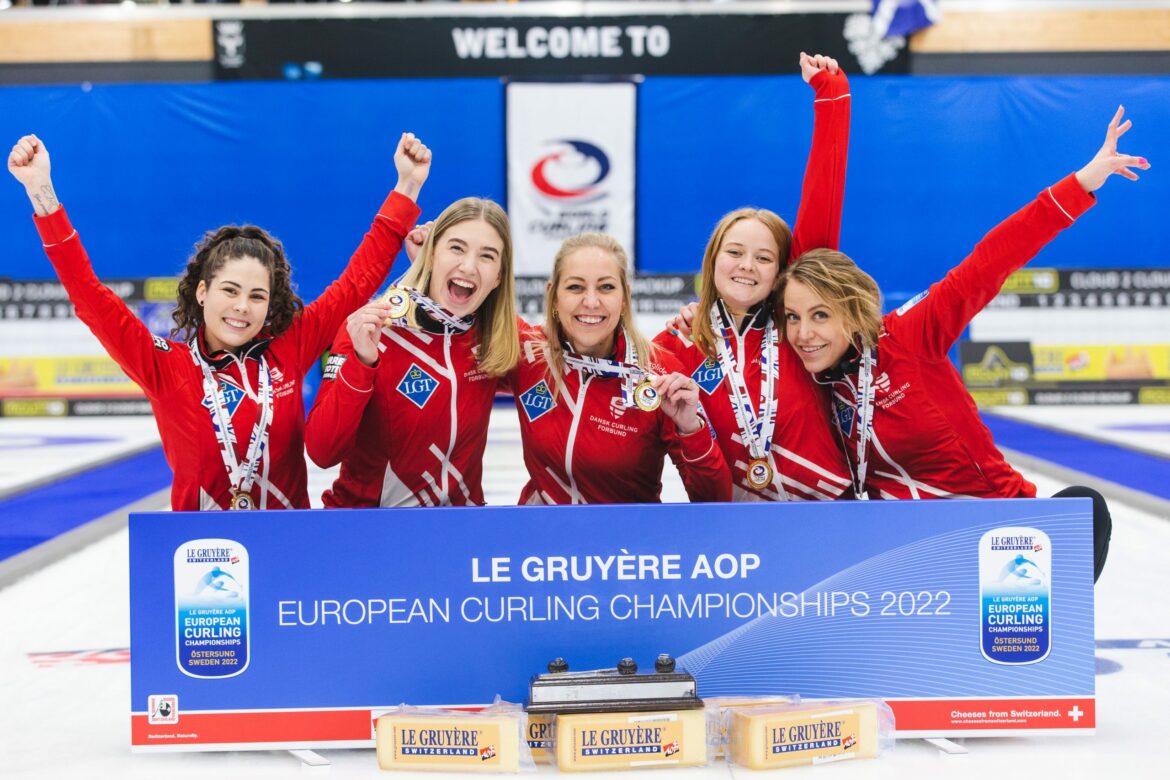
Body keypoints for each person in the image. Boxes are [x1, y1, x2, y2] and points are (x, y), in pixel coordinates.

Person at [779, 107, 1148, 581]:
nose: (803, 334)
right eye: (792, 318)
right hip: (906, 554)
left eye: (820, 316)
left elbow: (990, 261)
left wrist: (1083, 182)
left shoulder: (909, 335)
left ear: (852, 312)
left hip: (1000, 531)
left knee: (1085, 507)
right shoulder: (806, 374)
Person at [7, 132, 431, 510]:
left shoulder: (291, 346)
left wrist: (407, 186)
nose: (242, 307)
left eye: (257, 296)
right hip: (199, 563)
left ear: (271, 304)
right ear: (202, 291)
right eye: (230, 290)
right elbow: (88, 294)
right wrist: (40, 191)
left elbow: (356, 283)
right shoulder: (165, 367)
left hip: (291, 552)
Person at [655, 52, 853, 501]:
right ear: (712, 261)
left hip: (830, 520)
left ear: (782, 270)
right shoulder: (675, 346)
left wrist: (832, 95)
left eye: (764, 258)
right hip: (736, 531)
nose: (747, 265)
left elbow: (824, 193)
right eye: (735, 252)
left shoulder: (799, 324)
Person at [304, 197, 520, 507]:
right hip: (371, 532)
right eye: (456, 248)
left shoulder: (493, 337)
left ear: (499, 276)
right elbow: (322, 452)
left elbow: (565, 355)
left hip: (462, 535)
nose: (469, 266)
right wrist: (362, 363)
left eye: (487, 256)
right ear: (431, 254)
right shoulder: (374, 329)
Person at [512, 232, 731, 505]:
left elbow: (715, 500)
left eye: (606, 287)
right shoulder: (528, 352)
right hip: (542, 543)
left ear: (625, 297)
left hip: (625, 545)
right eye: (575, 287)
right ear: (553, 295)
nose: (591, 302)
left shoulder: (658, 374)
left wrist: (691, 427)